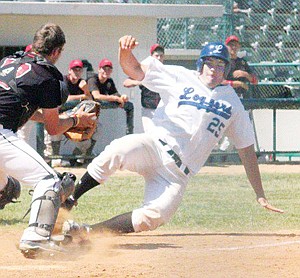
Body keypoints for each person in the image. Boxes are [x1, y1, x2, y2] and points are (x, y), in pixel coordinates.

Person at [62, 35, 283, 237]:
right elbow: (135, 70)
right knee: (118, 150)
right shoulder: (179, 76)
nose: (214, 69)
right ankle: (70, 199)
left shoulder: (233, 103)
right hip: (155, 146)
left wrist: (259, 193)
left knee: (154, 216)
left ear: (225, 69)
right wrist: (124, 52)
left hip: (177, 175)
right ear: (201, 64)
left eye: (220, 64)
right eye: (210, 63)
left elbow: (246, 150)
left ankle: (86, 232)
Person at [0, 23, 96, 257]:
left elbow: (26, 108)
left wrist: (71, 117)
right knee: (53, 182)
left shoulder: (8, 63)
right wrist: (75, 120)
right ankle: (35, 239)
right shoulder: (47, 76)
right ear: (57, 52)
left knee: (7, 188)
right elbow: (54, 129)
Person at [218, 35, 258, 154]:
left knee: (243, 130)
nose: (233, 47)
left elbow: (255, 80)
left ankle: (229, 155)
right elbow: (219, 81)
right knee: (224, 131)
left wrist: (244, 74)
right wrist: (237, 83)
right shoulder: (222, 62)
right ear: (226, 46)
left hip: (241, 100)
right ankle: (220, 155)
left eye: (235, 45)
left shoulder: (242, 63)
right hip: (225, 99)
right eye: (231, 45)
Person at [50, 59, 94, 167]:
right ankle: (55, 158)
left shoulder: (82, 83)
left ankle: (76, 158)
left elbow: (91, 100)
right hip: (60, 115)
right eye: (74, 69)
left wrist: (86, 90)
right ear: (70, 70)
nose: (77, 72)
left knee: (91, 136)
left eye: (79, 70)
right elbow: (66, 98)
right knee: (55, 131)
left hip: (76, 118)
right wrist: (82, 96)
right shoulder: (63, 80)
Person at [123, 44, 164, 132]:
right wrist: (141, 82)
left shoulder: (165, 71)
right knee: (150, 134)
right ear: (152, 57)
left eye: (161, 56)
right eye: (157, 55)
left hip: (162, 110)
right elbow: (126, 83)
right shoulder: (145, 70)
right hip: (148, 109)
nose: (159, 58)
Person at [88, 58, 134, 135]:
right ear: (99, 69)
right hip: (88, 107)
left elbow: (115, 94)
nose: (107, 71)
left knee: (129, 105)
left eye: (109, 69)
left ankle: (129, 134)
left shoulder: (109, 81)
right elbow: (96, 96)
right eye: (104, 69)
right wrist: (114, 98)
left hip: (99, 110)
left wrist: (122, 97)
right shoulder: (92, 79)